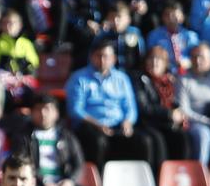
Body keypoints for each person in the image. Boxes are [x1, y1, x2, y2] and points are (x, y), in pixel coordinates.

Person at [66, 40, 162, 174]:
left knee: (145, 141)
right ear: (91, 57)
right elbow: (75, 110)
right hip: (91, 125)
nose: (102, 59)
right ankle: (99, 182)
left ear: (113, 59)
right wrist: (98, 125)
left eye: (106, 56)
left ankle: (144, 180)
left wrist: (127, 122)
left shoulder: (122, 78)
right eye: (98, 55)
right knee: (98, 142)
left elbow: (130, 107)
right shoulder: (79, 78)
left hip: (118, 124)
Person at [11, 93, 90, 186]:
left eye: (47, 109)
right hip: (38, 185)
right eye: (38, 109)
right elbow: (22, 164)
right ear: (31, 113)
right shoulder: (23, 137)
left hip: (63, 184)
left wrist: (70, 181)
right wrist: (43, 182)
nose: (43, 113)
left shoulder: (66, 136)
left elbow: (78, 163)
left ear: (56, 113)